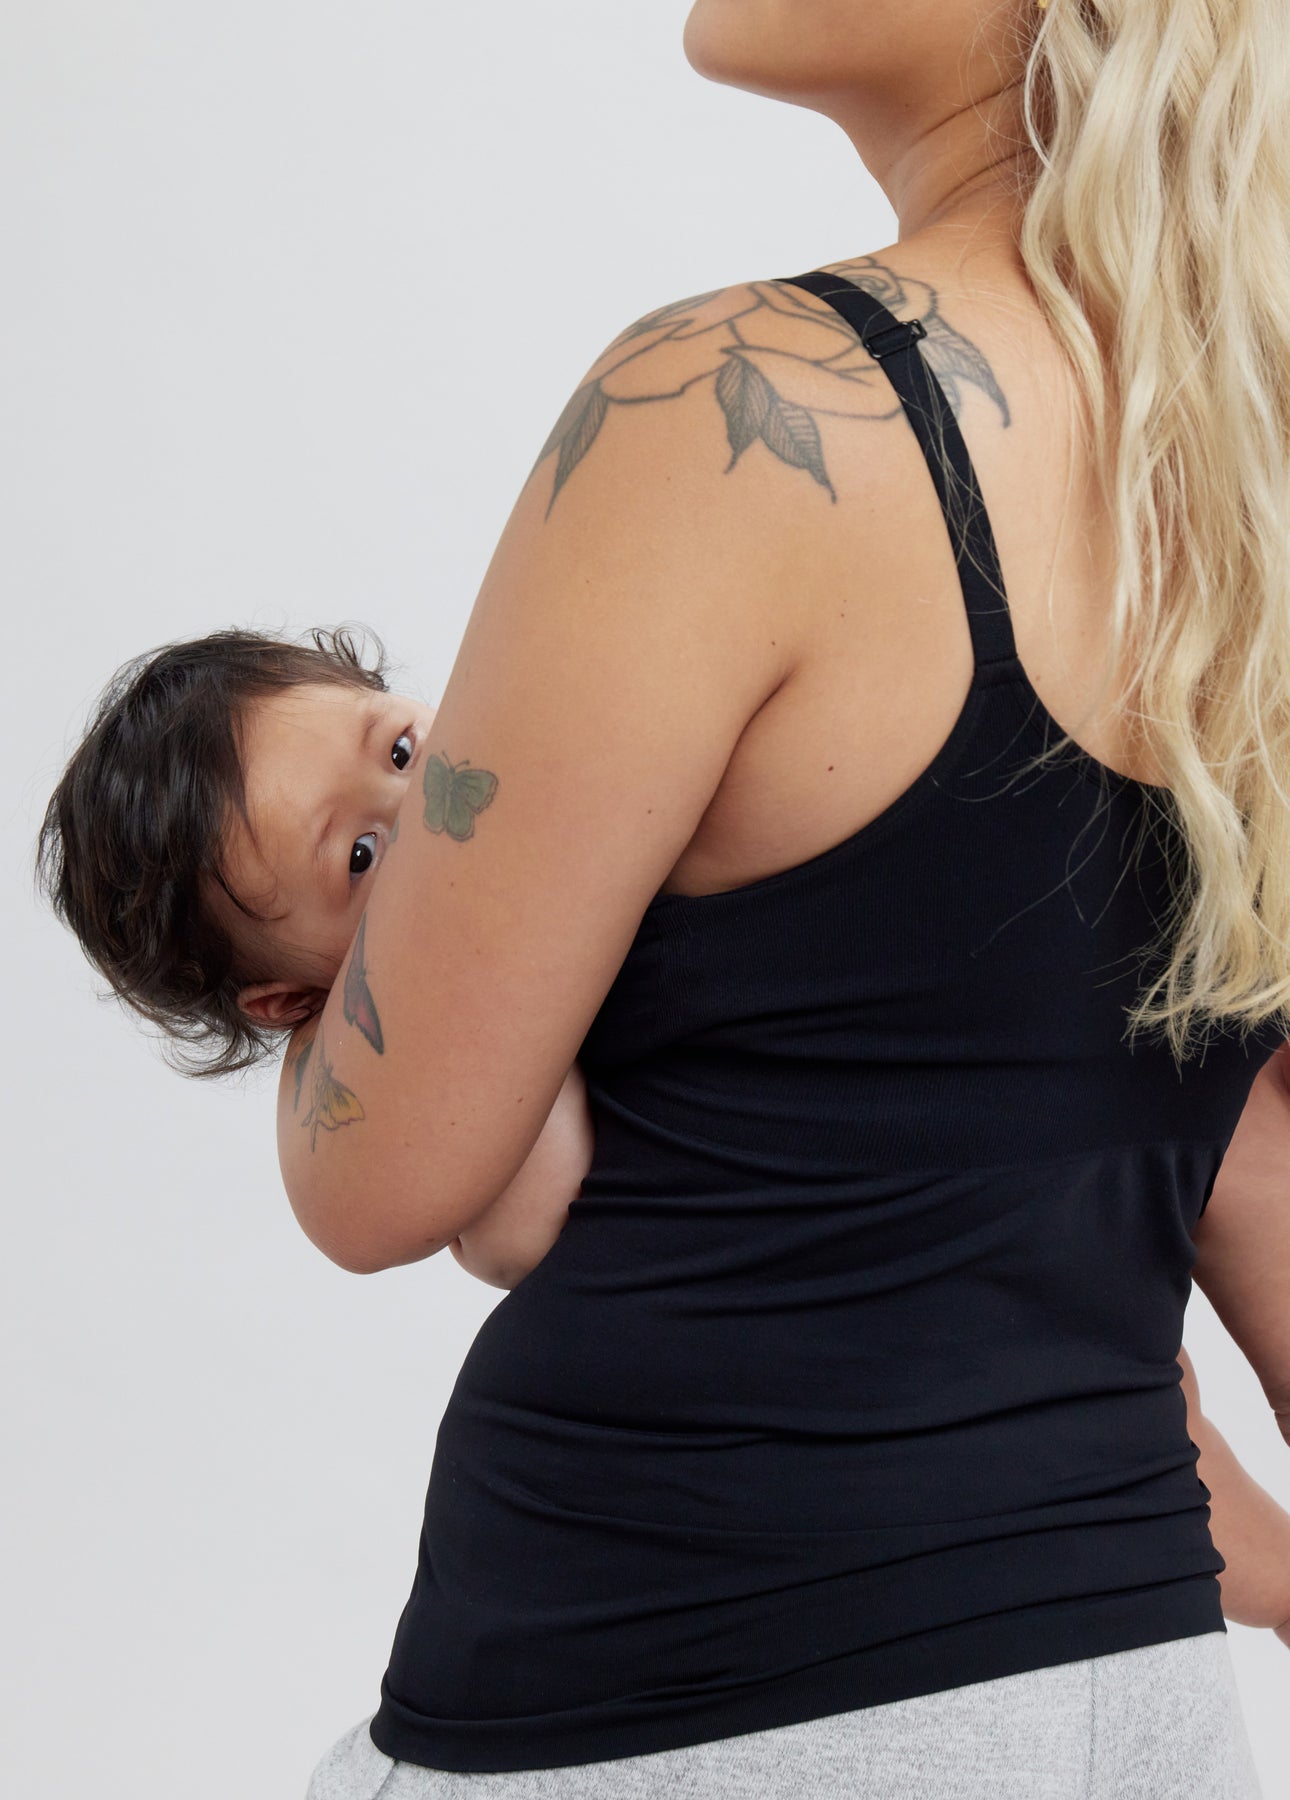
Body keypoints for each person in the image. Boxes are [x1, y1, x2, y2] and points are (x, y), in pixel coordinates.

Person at [40, 0, 1290, 1790]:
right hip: (1129, 1695)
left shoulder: (731, 401)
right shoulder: (1242, 464)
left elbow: (379, 1183)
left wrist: (348, 970)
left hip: (678, 1681)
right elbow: (1247, 1147)